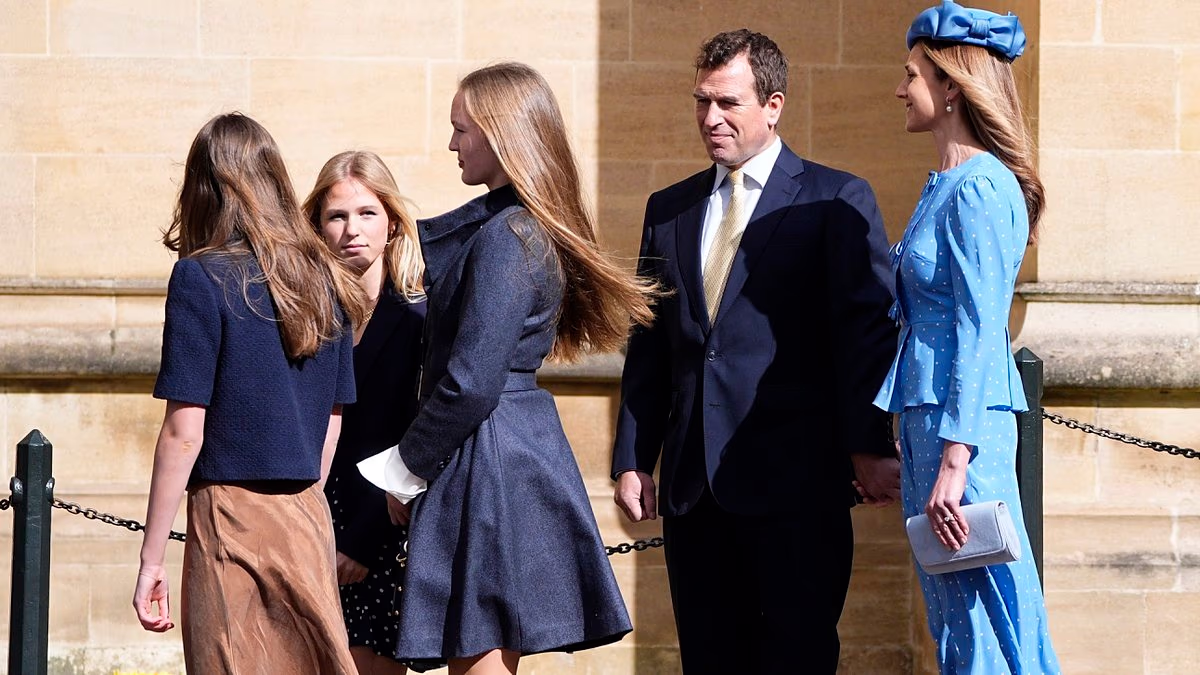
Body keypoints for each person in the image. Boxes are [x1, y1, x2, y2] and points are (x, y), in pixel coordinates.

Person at [611, 29, 900, 674]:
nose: (710, 117)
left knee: (798, 658)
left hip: (798, 485)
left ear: (773, 106)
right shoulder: (669, 208)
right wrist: (633, 458)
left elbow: (864, 333)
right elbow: (650, 343)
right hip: (695, 491)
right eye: (702, 101)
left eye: (728, 103)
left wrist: (871, 445)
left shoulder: (835, 198)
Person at [360, 62, 652, 675]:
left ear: (500, 133)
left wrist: (406, 467)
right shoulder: (517, 229)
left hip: (489, 458)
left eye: (461, 129)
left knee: (480, 657)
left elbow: (471, 382)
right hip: (499, 450)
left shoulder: (509, 236)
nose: (452, 144)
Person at [132, 113, 364, 674]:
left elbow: (184, 433)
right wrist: (303, 496)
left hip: (230, 514)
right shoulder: (326, 278)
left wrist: (151, 558)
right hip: (307, 513)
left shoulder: (199, 277)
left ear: (203, 187)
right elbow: (332, 423)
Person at [873, 2, 1061, 672]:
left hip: (965, 430)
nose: (901, 90)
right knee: (956, 613)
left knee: (986, 612)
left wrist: (956, 459)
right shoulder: (947, 184)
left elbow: (983, 328)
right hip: (935, 420)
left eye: (912, 75)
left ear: (951, 85)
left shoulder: (980, 188)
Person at [303, 150, 427, 675]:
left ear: (392, 223)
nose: (352, 229)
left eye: (367, 213)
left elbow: (419, 431)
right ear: (318, 227)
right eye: (337, 216)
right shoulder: (309, 318)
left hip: (385, 525)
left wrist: (363, 539)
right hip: (312, 519)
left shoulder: (420, 316)